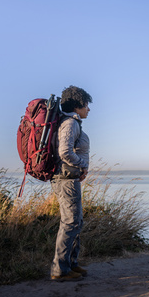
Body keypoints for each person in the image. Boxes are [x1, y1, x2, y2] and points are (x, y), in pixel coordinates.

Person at [50, 85, 92, 282]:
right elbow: (65, 153)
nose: (88, 109)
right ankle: (60, 270)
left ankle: (71, 264)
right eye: (86, 105)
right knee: (70, 222)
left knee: (76, 221)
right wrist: (83, 165)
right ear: (77, 106)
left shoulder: (72, 123)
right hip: (65, 180)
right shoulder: (70, 124)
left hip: (69, 179)